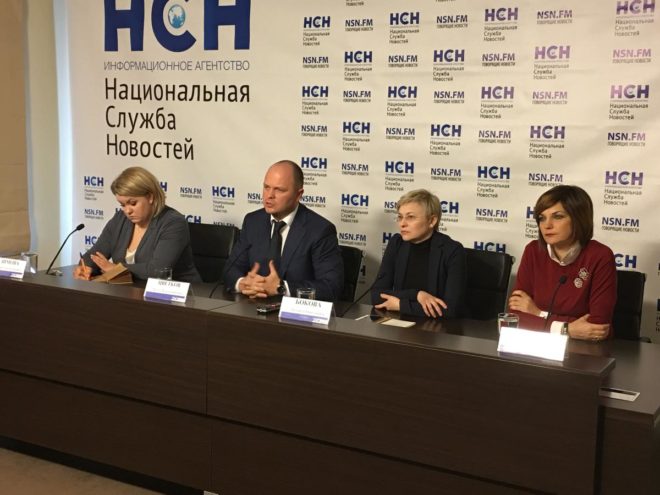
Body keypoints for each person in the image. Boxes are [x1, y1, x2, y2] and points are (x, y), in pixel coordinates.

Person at [223, 160, 343, 301]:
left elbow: (331, 287)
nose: (269, 195)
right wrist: (243, 283)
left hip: (296, 313)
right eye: (266, 187)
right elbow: (230, 269)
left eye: (279, 190)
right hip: (253, 308)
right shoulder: (253, 221)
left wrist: (281, 287)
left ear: (298, 194)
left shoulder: (320, 230)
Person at [509, 185, 616, 341]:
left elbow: (597, 327)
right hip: (537, 344)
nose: (547, 225)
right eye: (542, 218)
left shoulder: (600, 256)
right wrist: (567, 329)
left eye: (558, 216)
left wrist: (537, 313)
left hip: (583, 350)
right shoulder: (533, 251)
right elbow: (513, 318)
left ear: (578, 219)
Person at [74, 166, 201, 282]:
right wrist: (86, 267)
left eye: (133, 203)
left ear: (150, 197)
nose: (127, 211)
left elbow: (158, 270)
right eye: (122, 205)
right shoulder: (120, 219)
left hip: (177, 294)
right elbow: (95, 254)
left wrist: (116, 269)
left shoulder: (173, 223)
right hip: (130, 292)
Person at [371, 189, 466, 318]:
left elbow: (450, 309)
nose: (402, 224)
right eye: (400, 217)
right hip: (399, 323)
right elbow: (376, 295)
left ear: (432, 221)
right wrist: (417, 295)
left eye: (410, 217)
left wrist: (401, 305)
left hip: (437, 327)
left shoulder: (452, 250)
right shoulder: (396, 243)